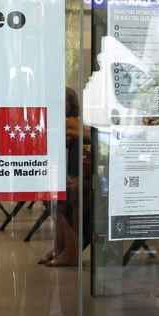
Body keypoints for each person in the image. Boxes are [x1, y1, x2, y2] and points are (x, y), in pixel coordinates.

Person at [39, 89, 94, 266]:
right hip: (78, 176)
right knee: (58, 191)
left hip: (90, 179)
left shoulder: (70, 123)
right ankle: (60, 247)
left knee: (66, 193)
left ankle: (70, 251)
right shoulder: (70, 125)